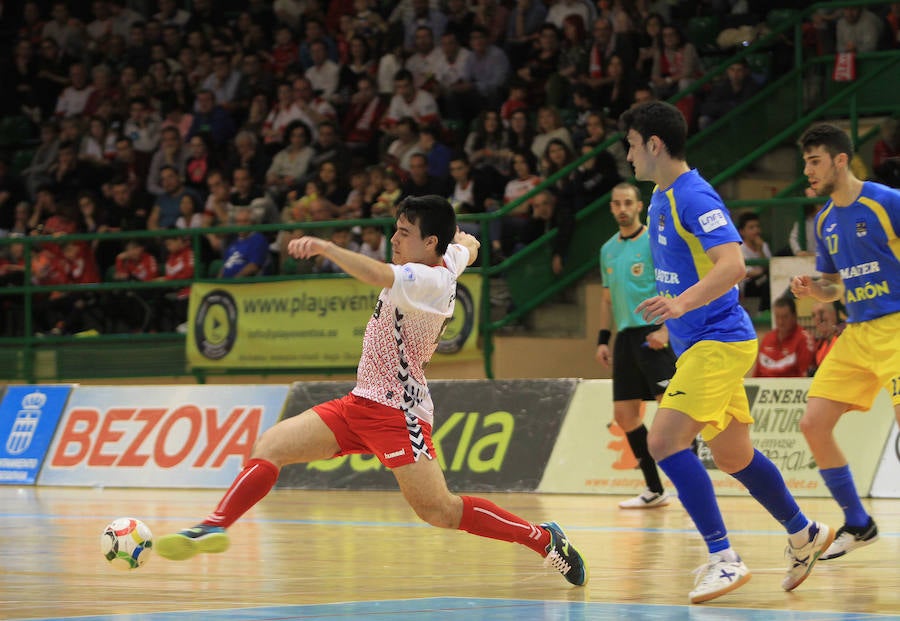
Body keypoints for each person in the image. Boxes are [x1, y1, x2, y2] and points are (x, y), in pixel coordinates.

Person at [155, 195, 588, 588]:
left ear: (428, 242)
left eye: (404, 232)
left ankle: (543, 538)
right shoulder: (445, 260)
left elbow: (376, 272)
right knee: (271, 445)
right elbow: (467, 247)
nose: (393, 238)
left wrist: (326, 248)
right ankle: (215, 524)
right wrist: (465, 244)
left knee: (439, 511)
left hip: (399, 415)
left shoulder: (426, 280)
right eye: (394, 228)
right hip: (359, 403)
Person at [621, 101, 832, 604]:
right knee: (734, 455)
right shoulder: (658, 197)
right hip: (695, 344)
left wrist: (680, 304)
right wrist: (671, 322)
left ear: (653, 145)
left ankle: (723, 558)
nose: (626, 156)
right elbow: (684, 269)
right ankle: (803, 533)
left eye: (630, 144)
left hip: (718, 341)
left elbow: (734, 265)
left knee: (665, 443)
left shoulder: (693, 194)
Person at [790, 123, 900, 560]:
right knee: (813, 425)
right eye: (804, 162)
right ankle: (858, 522)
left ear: (839, 160)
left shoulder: (885, 202)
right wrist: (816, 289)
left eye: (814, 161)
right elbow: (836, 287)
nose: (807, 171)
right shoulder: (824, 222)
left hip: (896, 327)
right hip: (855, 333)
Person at [596, 182, 675, 509]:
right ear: (612, 208)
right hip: (627, 338)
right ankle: (655, 489)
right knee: (625, 416)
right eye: (617, 204)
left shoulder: (653, 242)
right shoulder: (607, 250)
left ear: (639, 206)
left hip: (655, 331)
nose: (623, 208)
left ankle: (692, 486)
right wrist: (603, 339)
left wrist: (667, 330)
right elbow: (607, 297)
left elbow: (673, 285)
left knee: (674, 413)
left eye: (628, 202)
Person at [753, 296, 815, 378]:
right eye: (777, 317)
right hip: (765, 388)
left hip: (791, 388)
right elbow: (757, 374)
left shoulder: (804, 339)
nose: (780, 322)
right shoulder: (767, 338)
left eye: (785, 317)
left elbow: (804, 377)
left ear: (794, 316)